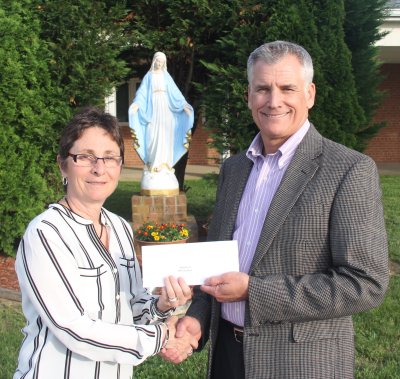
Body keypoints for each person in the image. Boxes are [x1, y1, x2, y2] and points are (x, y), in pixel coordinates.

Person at [162, 41, 389, 378]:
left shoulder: (348, 170)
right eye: (263, 88)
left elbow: (365, 283)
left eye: (287, 88)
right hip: (227, 357)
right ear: (249, 96)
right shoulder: (234, 169)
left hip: (299, 364)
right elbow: (217, 264)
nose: (274, 100)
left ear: (309, 94)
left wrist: (254, 291)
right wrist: (197, 317)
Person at [14, 107, 197, 379]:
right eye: (85, 157)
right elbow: (73, 329)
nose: (99, 168)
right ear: (63, 164)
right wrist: (161, 336)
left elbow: (133, 305)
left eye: (110, 158)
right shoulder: (46, 233)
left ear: (120, 166)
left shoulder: (121, 228)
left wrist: (162, 305)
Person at [128, 51, 194, 195]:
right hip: (152, 111)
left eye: (162, 61)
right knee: (152, 136)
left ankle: (165, 167)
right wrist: (136, 104)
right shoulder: (149, 76)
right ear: (154, 61)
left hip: (165, 111)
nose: (159, 63)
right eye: (157, 61)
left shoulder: (166, 77)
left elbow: (176, 94)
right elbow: (142, 94)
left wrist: (184, 106)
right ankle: (153, 166)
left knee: (165, 137)